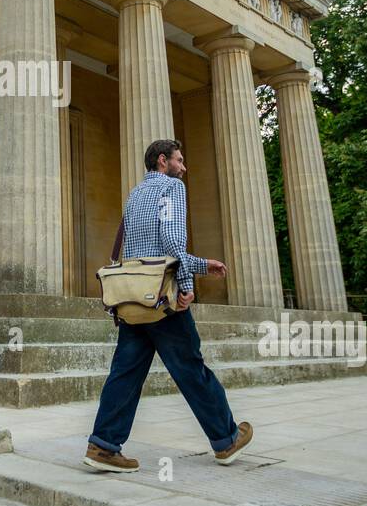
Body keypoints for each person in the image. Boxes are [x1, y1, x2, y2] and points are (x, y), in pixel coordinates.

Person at [84, 138, 253, 471]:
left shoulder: (134, 195)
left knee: (125, 372)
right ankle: (227, 439)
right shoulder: (172, 189)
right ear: (163, 161)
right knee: (191, 367)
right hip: (164, 298)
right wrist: (187, 286)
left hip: (136, 297)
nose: (184, 167)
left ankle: (103, 445)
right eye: (180, 160)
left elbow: (145, 248)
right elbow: (172, 239)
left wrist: (203, 264)